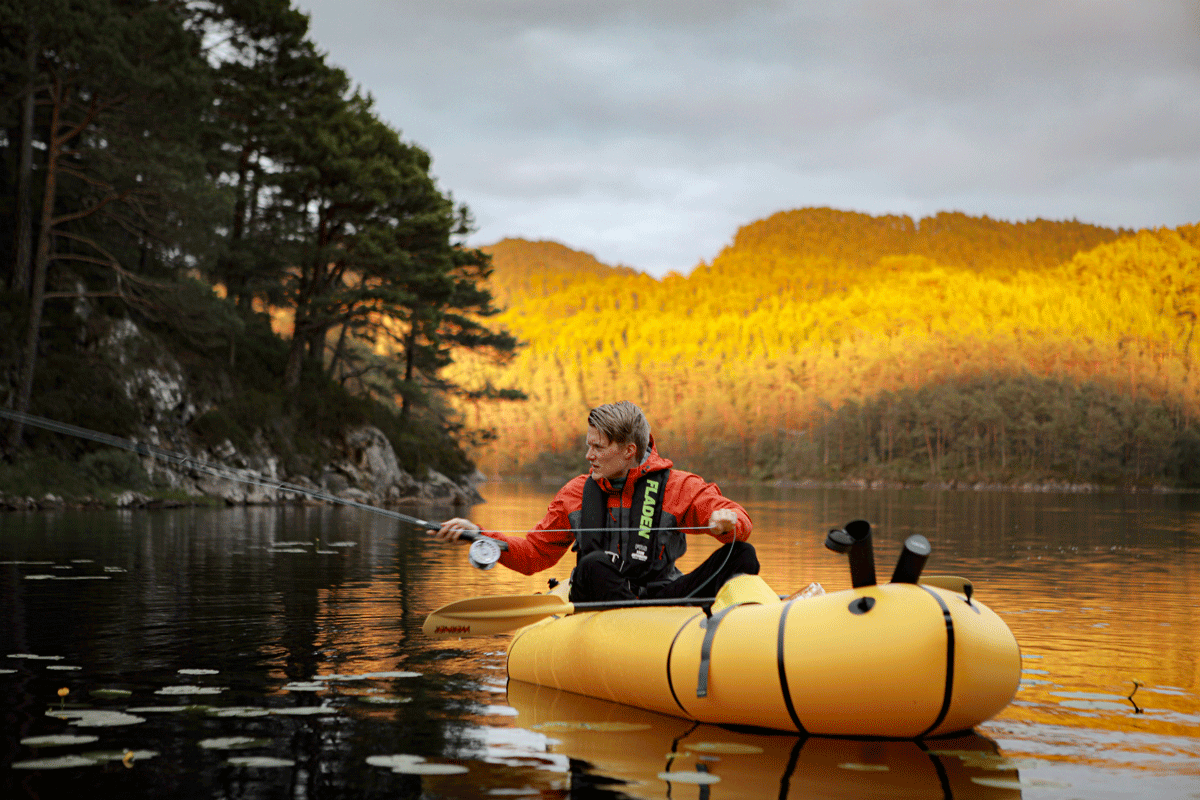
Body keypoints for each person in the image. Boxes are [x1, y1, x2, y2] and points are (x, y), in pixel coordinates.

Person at [434, 401, 759, 602]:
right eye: (588, 445)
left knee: (741, 553)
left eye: (598, 447)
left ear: (629, 450)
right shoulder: (575, 493)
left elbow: (736, 519)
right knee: (594, 563)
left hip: (661, 593)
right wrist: (477, 533)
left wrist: (728, 522)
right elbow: (533, 556)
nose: (589, 455)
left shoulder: (678, 486)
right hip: (597, 594)